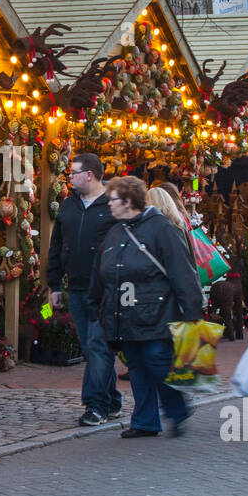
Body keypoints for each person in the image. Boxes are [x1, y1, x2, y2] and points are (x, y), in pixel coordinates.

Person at [90, 175, 203, 438]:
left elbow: (182, 273)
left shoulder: (161, 229)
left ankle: (177, 409)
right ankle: (145, 420)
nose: (109, 204)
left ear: (128, 201)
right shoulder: (115, 231)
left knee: (157, 361)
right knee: (138, 367)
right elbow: (103, 269)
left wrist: (192, 312)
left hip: (156, 313)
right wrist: (96, 302)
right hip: (124, 314)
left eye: (113, 199)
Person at [47, 153, 123, 427]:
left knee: (97, 345)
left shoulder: (112, 205)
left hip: (104, 291)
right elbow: (56, 245)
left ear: (89, 174)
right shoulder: (69, 205)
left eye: (74, 172)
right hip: (77, 288)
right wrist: (54, 284)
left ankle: (96, 406)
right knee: (93, 349)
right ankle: (112, 400)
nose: (70, 176)